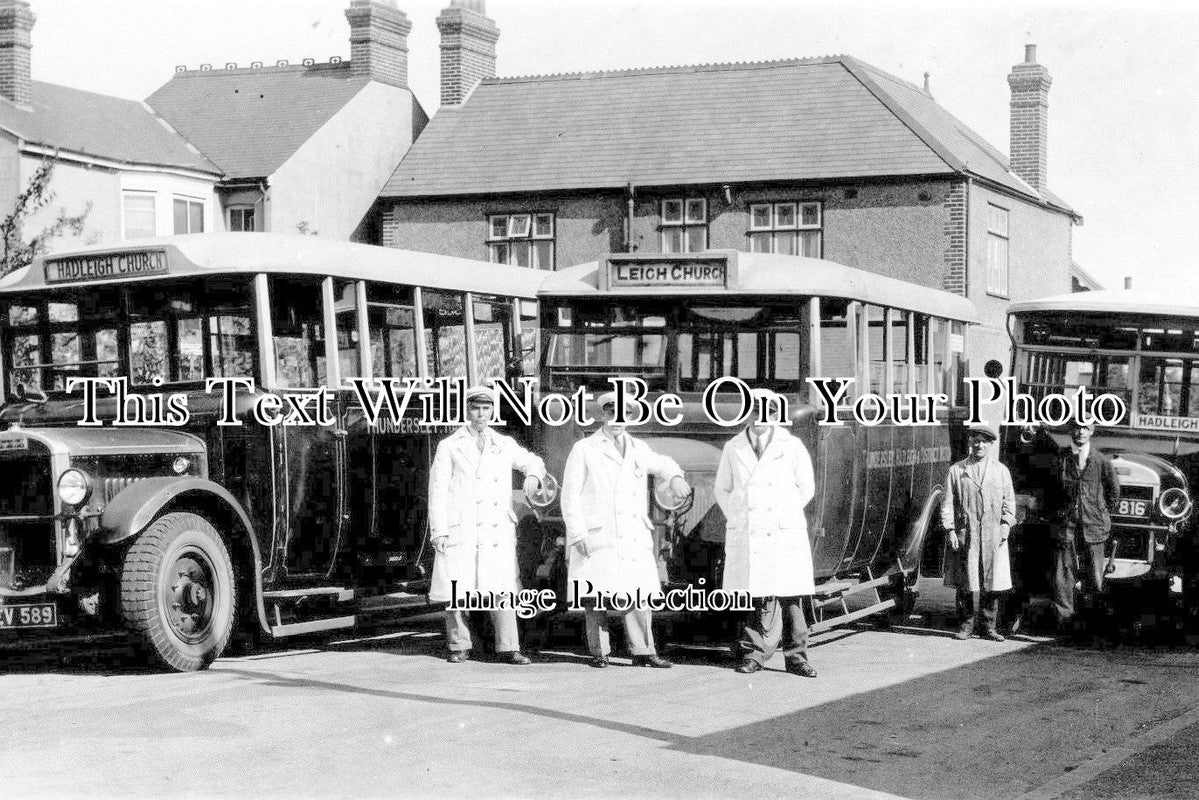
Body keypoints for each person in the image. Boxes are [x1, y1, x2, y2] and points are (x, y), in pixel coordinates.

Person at [561, 390, 689, 668]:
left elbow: (664, 464)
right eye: (610, 412)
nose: (616, 418)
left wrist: (676, 476)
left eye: (623, 413)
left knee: (637, 592)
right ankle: (600, 652)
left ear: (630, 417)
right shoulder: (584, 449)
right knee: (595, 594)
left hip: (631, 533)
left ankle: (643, 651)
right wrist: (579, 534)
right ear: (604, 414)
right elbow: (569, 496)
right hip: (598, 532)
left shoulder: (639, 448)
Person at [427, 385, 547, 664]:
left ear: (492, 411)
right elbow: (438, 490)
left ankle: (509, 647)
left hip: (495, 528)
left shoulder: (503, 443)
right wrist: (439, 531)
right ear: (467, 410)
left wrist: (532, 476)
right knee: (457, 588)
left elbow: (534, 462)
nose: (480, 414)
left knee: (502, 588)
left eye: (485, 408)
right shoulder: (449, 446)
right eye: (475, 408)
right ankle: (459, 645)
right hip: (462, 527)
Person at [713, 388, 818, 677]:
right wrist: (738, 513)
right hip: (750, 531)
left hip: (783, 531)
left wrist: (783, 512)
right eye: (753, 410)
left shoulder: (792, 445)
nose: (759, 416)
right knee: (754, 597)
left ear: (775, 414)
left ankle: (797, 658)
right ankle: (753, 655)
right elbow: (722, 488)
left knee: (791, 598)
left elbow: (806, 487)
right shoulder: (733, 447)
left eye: (766, 411)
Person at [940, 421, 1016, 641]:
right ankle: (966, 625)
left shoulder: (1001, 471)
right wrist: (950, 529)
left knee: (992, 582)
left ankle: (989, 626)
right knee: (967, 582)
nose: (979, 446)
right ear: (969, 443)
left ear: (990, 445)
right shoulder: (957, 470)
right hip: (968, 533)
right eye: (975, 441)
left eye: (983, 442)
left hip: (994, 533)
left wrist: (1005, 525)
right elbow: (947, 503)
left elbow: (1009, 503)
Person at [1049, 419, 1120, 631]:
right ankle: (1065, 623)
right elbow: (1049, 488)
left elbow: (1113, 492)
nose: (1080, 432)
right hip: (1066, 526)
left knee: (1096, 575)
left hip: (1094, 526)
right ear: (1070, 430)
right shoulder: (1061, 458)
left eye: (1085, 428)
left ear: (1092, 431)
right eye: (1076, 428)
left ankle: (1092, 625)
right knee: (1063, 575)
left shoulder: (1100, 460)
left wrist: (1101, 512)